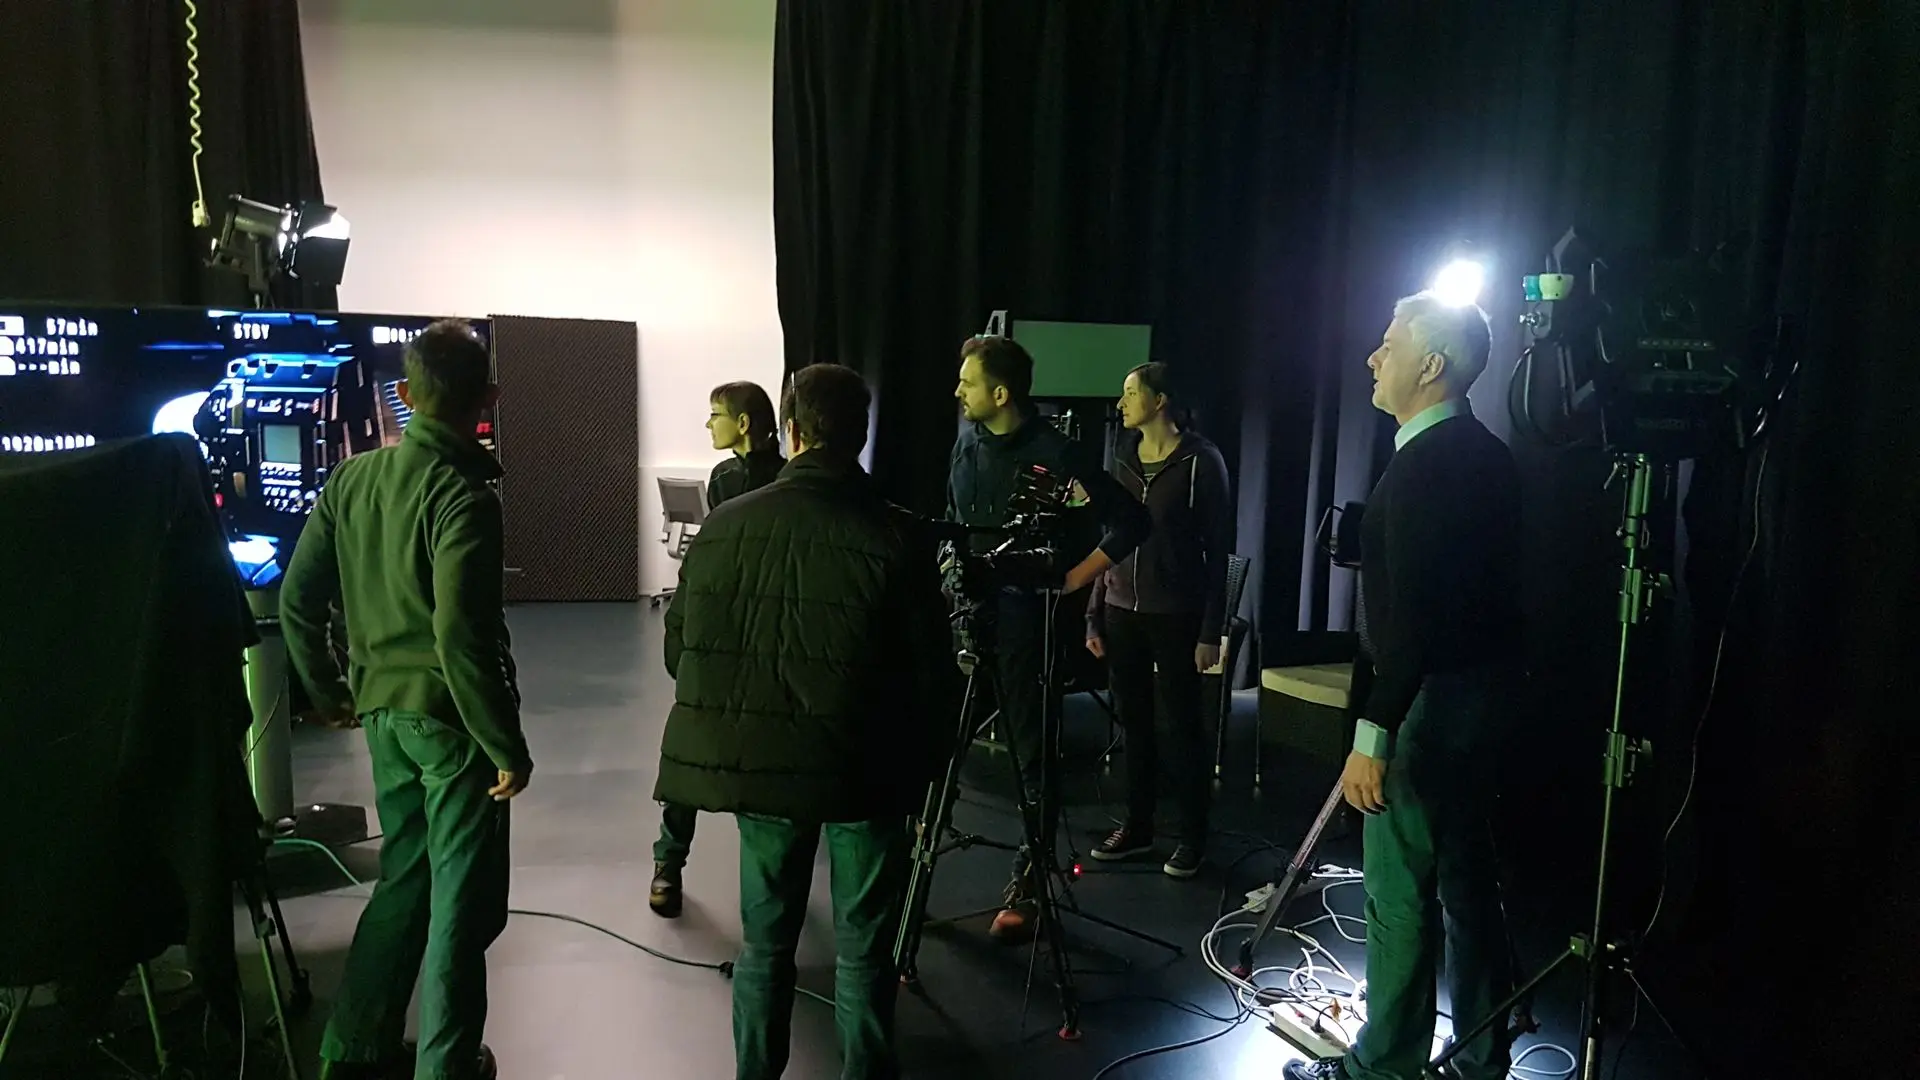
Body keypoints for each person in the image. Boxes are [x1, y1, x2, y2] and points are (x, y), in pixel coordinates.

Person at [656, 364, 948, 1080]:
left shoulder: (724, 525)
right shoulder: (899, 536)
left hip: (762, 767)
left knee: (763, 947)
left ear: (791, 431)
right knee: (864, 952)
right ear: (860, 435)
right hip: (866, 772)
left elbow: (677, 651)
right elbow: (931, 676)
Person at [282, 320, 528, 1080]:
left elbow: (297, 601)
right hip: (451, 727)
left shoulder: (349, 481)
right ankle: (447, 1065)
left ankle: (351, 1047)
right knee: (462, 908)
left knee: (404, 880)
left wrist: (329, 692)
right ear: (487, 398)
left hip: (382, 717)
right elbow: (462, 639)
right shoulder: (464, 496)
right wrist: (505, 746)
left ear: (403, 393)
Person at [1284, 293, 1521, 1080]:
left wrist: (1372, 734)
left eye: (1389, 345)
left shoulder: (1423, 466)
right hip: (1481, 699)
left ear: (1431, 365)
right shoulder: (1487, 454)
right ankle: (1482, 1058)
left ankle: (1381, 1067)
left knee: (1399, 895)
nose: (1373, 358)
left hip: (1425, 709)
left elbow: (1414, 620)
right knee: (1468, 884)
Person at [949, 335, 1152, 940]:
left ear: (1000, 393)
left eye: (968, 382)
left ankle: (1030, 882)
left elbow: (1132, 521)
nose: (958, 392)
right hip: (967, 619)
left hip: (1028, 626)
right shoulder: (966, 445)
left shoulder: (1060, 453)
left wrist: (1072, 580)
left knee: (1034, 759)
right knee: (938, 745)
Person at [1084, 362, 1233, 879]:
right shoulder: (1121, 458)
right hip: (1121, 610)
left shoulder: (1201, 462)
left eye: (1130, 393)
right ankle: (1138, 825)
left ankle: (1192, 835)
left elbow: (1220, 550)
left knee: (1183, 726)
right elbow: (1109, 540)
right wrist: (1094, 614)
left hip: (1177, 614)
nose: (1121, 403)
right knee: (1134, 724)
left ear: (1160, 400)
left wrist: (1211, 630)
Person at [649, 379, 783, 919]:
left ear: (743, 423)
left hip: (767, 635)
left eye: (715, 415)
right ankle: (668, 861)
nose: (708, 424)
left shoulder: (784, 480)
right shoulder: (724, 477)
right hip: (722, 632)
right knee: (690, 752)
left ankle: (766, 888)